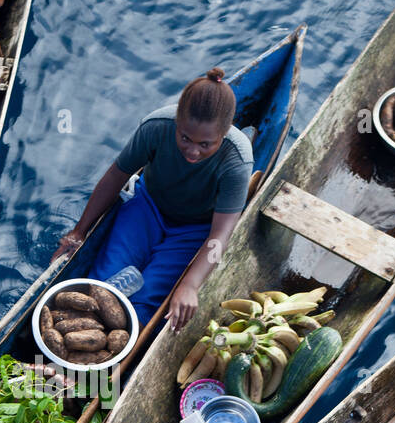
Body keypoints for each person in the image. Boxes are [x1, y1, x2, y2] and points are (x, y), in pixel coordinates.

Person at [50, 68, 251, 330]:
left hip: (196, 229)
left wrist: (190, 286)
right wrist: (79, 230)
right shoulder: (156, 127)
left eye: (205, 145)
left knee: (146, 304)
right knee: (100, 286)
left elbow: (221, 234)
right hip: (147, 207)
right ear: (177, 122)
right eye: (185, 138)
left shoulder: (236, 161)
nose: (192, 150)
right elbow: (115, 177)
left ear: (223, 135)